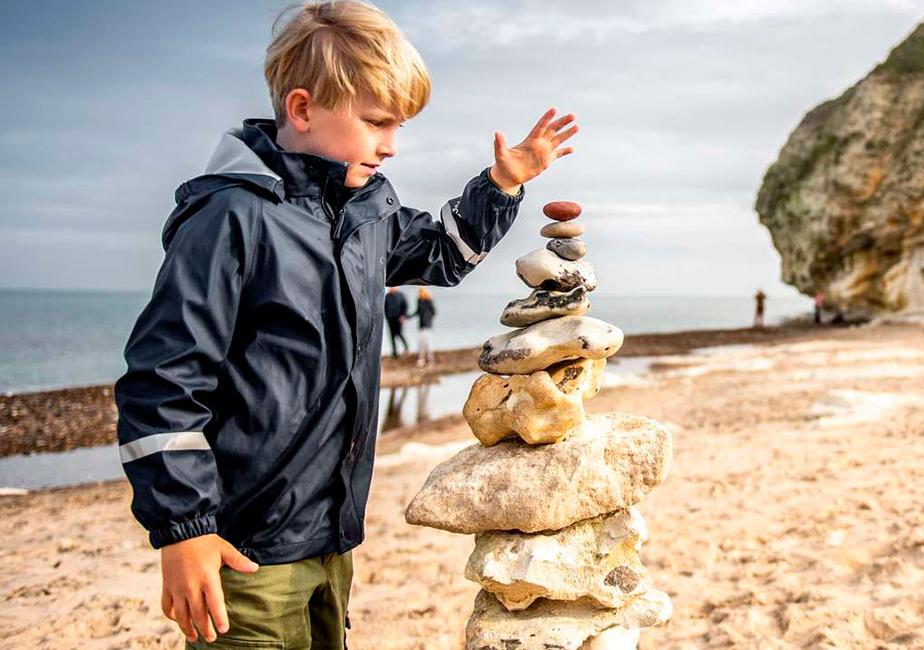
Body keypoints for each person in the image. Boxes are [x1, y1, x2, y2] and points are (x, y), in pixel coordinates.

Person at [112, 2, 578, 646]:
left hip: (331, 537)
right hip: (242, 547)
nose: (391, 143)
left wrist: (501, 183)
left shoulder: (366, 212)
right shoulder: (230, 218)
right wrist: (183, 531)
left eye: (399, 125)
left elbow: (443, 253)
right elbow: (161, 387)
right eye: (376, 121)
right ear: (302, 110)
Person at [409, 287, 437, 367]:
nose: (420, 293)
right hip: (421, 324)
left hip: (427, 325)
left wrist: (428, 319)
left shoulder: (429, 300)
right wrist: (408, 317)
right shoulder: (419, 301)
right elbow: (417, 312)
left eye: (421, 292)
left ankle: (429, 359)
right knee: (421, 342)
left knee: (427, 343)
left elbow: (434, 312)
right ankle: (422, 359)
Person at [384, 286, 409, 358]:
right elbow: (384, 307)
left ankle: (406, 347)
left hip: (398, 318)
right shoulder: (387, 296)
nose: (391, 288)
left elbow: (405, 306)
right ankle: (394, 352)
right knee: (392, 336)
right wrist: (386, 316)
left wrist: (403, 316)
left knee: (399, 333)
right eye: (390, 287)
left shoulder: (400, 295)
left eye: (393, 287)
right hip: (390, 319)